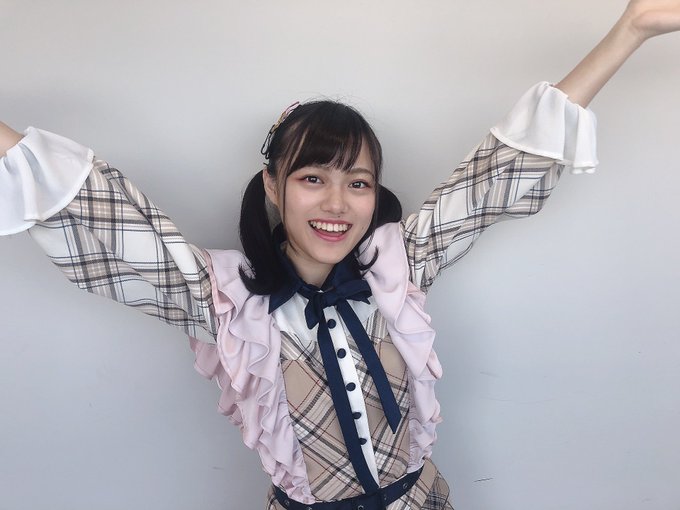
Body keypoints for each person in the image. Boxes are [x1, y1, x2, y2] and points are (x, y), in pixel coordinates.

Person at [2, 2, 679, 508]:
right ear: (273, 186)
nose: (337, 203)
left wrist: (630, 29)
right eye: (312, 178)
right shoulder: (225, 299)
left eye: (358, 183)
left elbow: (495, 176)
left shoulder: (396, 266)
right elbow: (99, 214)